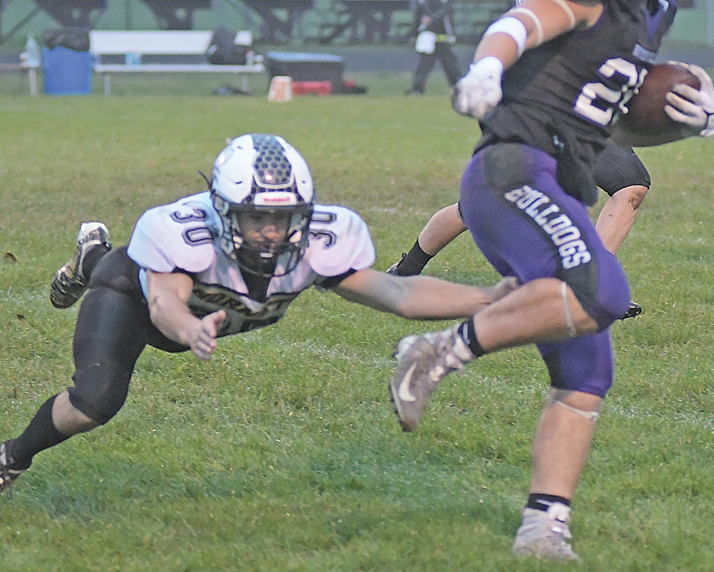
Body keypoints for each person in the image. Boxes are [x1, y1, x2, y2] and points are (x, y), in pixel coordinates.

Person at [388, 0, 714, 561]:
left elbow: (610, 123)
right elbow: (525, 20)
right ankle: (438, 351)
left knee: (586, 371)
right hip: (515, 170)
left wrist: (680, 118)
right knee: (603, 289)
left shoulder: (645, 4)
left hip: (562, 179)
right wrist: (486, 65)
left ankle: (543, 528)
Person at [0, 134, 511, 497]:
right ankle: (12, 456)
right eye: (256, 217)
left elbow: (397, 293)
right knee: (95, 401)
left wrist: (491, 298)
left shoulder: (320, 242)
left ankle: (90, 252)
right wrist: (190, 328)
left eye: (283, 217)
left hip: (200, 317)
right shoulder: (185, 234)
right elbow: (164, 302)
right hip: (135, 298)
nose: (270, 231)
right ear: (223, 211)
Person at [389, 0, 651, 319]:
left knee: (630, 185)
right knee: (485, 203)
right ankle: (407, 268)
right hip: (538, 106)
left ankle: (592, 285)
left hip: (585, 110)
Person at [407, 0, 463, 95]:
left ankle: (459, 89)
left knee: (451, 66)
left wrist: (432, 19)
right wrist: (414, 33)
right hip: (428, 35)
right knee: (423, 65)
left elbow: (446, 11)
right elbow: (417, 15)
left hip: (444, 36)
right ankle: (417, 88)